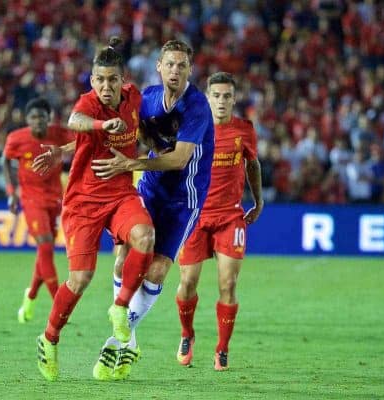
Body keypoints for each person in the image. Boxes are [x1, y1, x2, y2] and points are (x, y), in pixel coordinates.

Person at [89, 40, 215, 380]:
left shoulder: (197, 107)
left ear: (190, 70)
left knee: (157, 270)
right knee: (124, 256)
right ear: (158, 66)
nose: (175, 71)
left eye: (182, 66)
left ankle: (119, 337)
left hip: (184, 198)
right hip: (148, 188)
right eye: (170, 64)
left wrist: (133, 161)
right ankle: (127, 338)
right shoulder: (146, 98)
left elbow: (178, 158)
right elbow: (121, 104)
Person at [34, 38, 156, 382]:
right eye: (100, 80)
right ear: (91, 81)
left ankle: (120, 307)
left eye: (112, 79)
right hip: (83, 202)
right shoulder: (88, 104)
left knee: (145, 237)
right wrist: (102, 126)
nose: (106, 86)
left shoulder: (134, 98)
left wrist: (63, 149)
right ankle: (49, 338)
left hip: (120, 194)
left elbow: (94, 136)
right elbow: (77, 121)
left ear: (123, 80)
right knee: (81, 277)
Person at [176, 72, 263, 370]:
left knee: (228, 283)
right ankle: (187, 334)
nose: (222, 101)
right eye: (217, 95)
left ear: (234, 99)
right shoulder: (192, 128)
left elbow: (253, 164)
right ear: (207, 98)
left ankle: (222, 348)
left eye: (227, 96)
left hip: (230, 217)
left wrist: (259, 200)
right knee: (187, 283)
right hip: (195, 217)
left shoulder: (244, 130)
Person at [1, 97, 74, 324]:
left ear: (48, 118)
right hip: (30, 199)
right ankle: (58, 304)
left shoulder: (60, 134)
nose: (38, 122)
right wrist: (11, 191)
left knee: (44, 252)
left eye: (42, 117)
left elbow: (82, 141)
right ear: (27, 120)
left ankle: (30, 297)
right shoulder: (17, 138)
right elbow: (5, 160)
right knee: (45, 245)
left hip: (54, 199)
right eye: (33, 117)